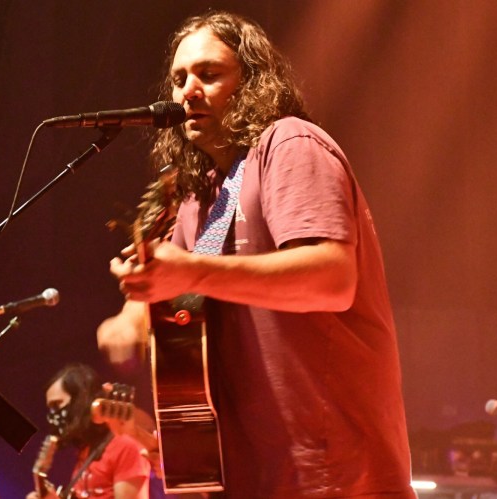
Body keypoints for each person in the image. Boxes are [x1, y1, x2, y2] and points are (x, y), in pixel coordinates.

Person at [97, 10, 416, 499]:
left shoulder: (289, 145)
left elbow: (331, 279)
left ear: (251, 83)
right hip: (247, 475)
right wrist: (133, 311)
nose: (187, 91)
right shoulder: (198, 196)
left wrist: (193, 272)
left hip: (332, 471)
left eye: (209, 73)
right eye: (179, 78)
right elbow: (180, 284)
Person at [26, 363, 151, 499]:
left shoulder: (125, 446)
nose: (53, 415)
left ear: (80, 400)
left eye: (57, 404)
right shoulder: (86, 452)